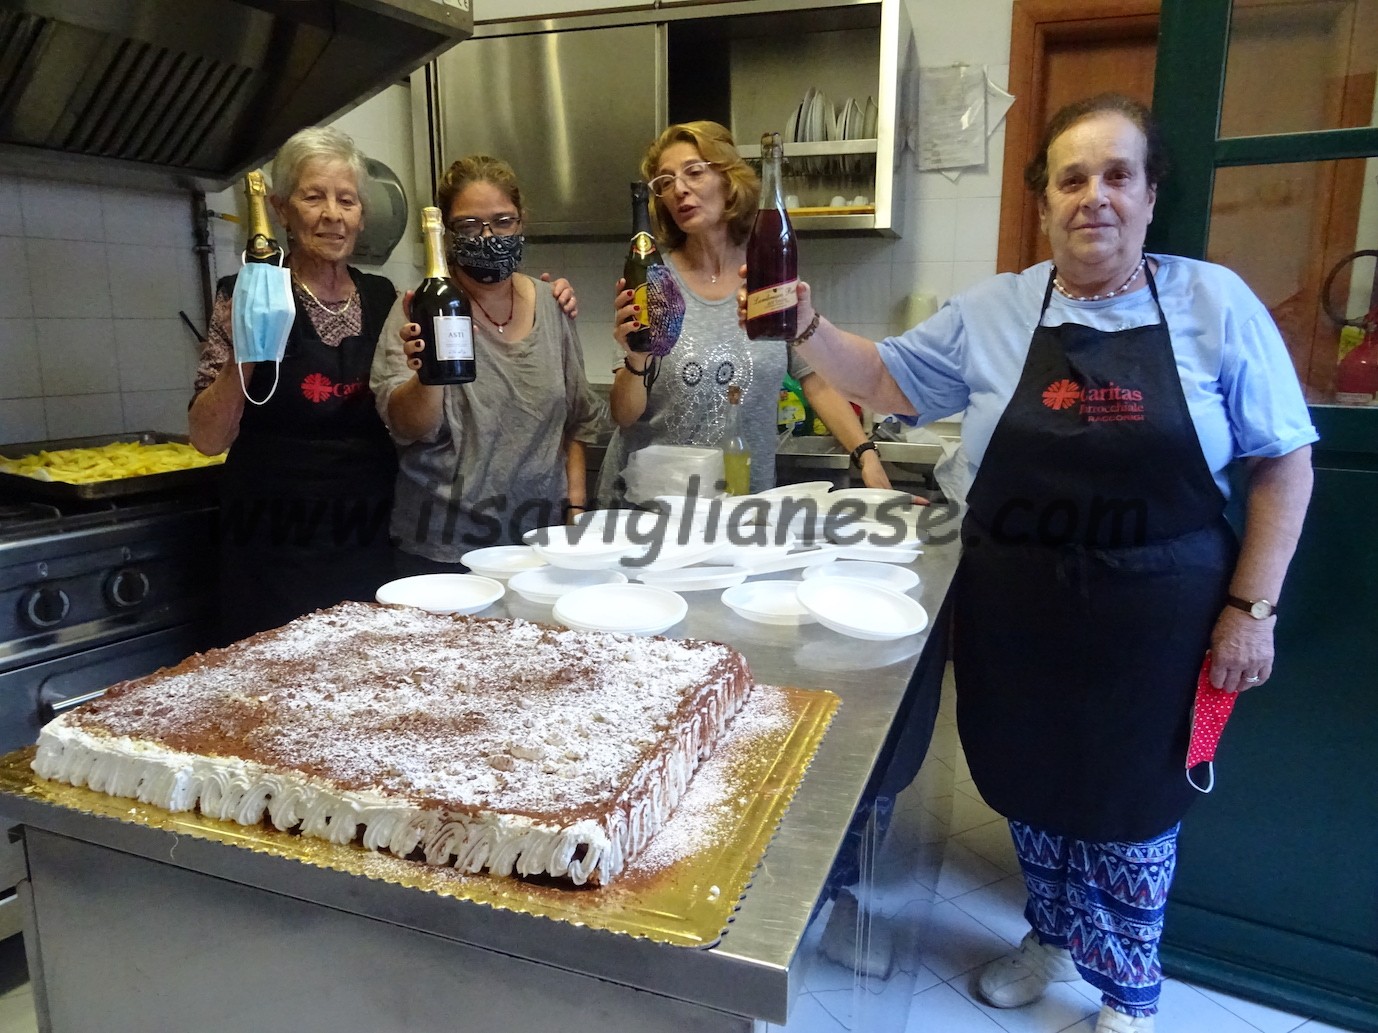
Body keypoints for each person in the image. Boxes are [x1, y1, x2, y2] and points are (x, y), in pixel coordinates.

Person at [742, 94, 1317, 1033]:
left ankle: (1129, 995)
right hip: (1016, 609)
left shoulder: (1215, 304)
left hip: (1158, 620)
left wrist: (1252, 609)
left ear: (1150, 194)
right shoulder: (997, 308)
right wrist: (807, 327)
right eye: (1071, 178)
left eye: (1118, 175)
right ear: (1044, 201)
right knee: (1030, 784)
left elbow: (1284, 462)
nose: (1095, 196)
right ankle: (1050, 938)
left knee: (1134, 810)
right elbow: (883, 378)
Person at [599, 120, 891, 503]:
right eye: (666, 182)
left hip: (742, 505)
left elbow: (816, 381)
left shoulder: (766, 277)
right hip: (655, 508)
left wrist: (866, 455)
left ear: (728, 179)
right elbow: (624, 415)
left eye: (694, 172)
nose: (679, 189)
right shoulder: (653, 281)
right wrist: (636, 358)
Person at [371, 155, 603, 571]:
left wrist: (575, 513)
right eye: (469, 226)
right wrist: (427, 374)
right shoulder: (417, 309)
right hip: (441, 548)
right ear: (447, 232)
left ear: (521, 221)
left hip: (539, 543)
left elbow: (577, 421)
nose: (488, 236)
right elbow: (407, 428)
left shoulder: (552, 305)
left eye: (502, 221)